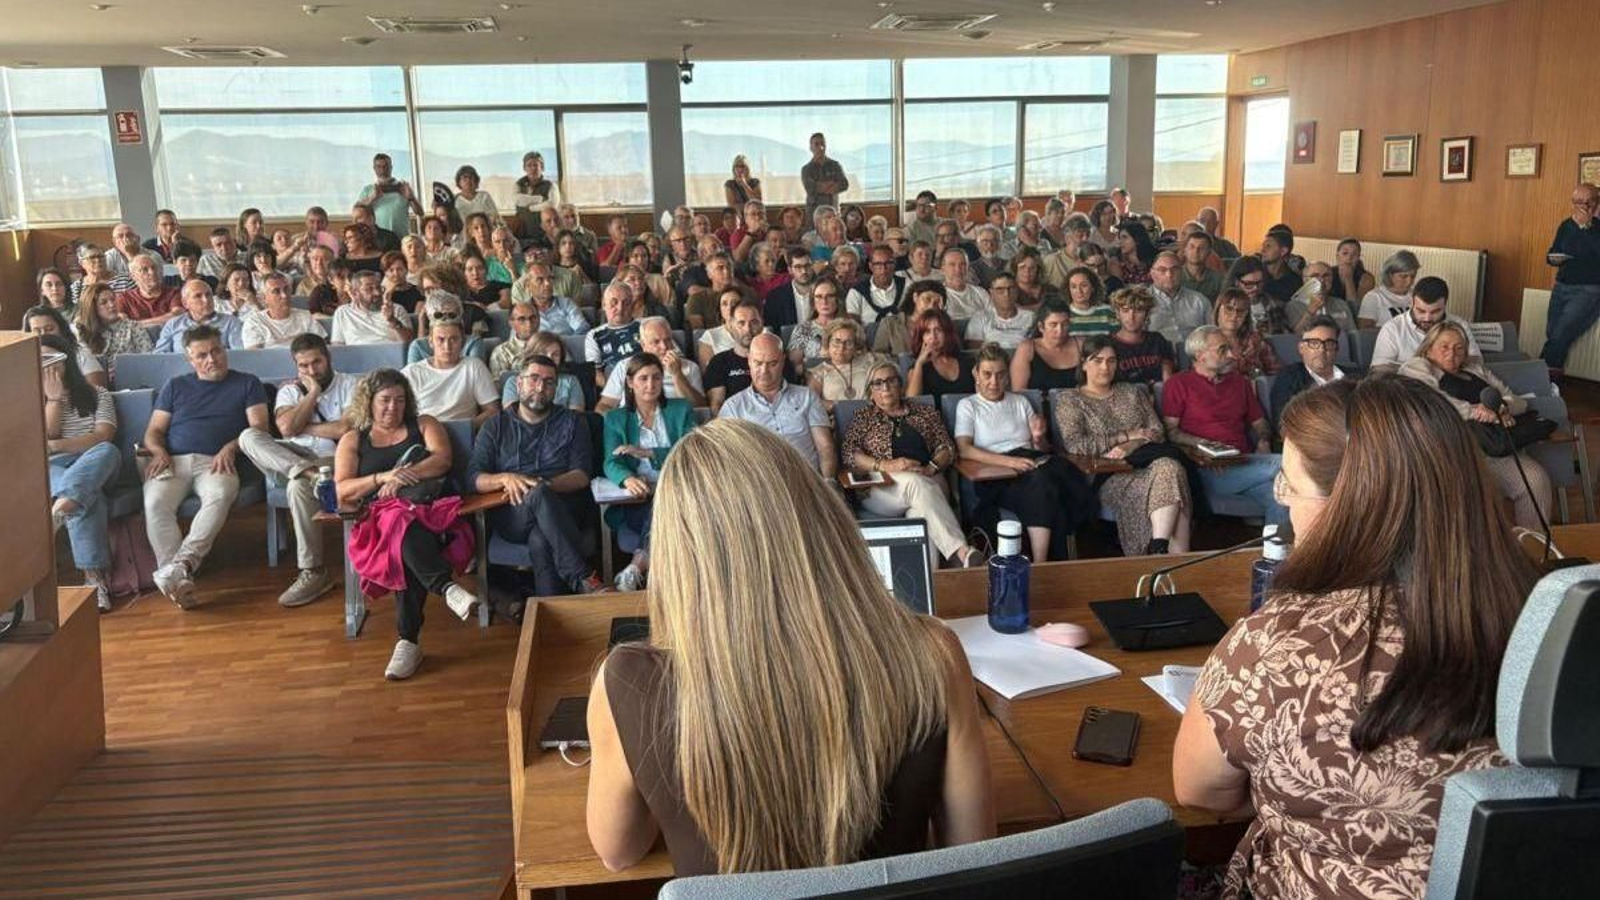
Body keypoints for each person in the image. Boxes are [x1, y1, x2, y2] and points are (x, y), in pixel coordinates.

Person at [1174, 375, 1540, 900]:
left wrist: (1303, 794)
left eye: (1290, 486)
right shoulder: (1559, 622)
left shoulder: (1275, 646)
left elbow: (1200, 792)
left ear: (1348, 503)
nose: (1287, 505)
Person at [586, 415, 993, 874]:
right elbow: (971, 852)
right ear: (817, 517)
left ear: (679, 552)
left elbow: (618, 852)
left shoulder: (627, 682)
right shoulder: (935, 653)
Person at [335, 368, 478, 680]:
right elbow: (343, 488)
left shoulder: (424, 424)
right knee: (398, 526)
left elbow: (442, 460)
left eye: (400, 400)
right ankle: (445, 589)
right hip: (377, 528)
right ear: (369, 402)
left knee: (402, 524)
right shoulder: (353, 439)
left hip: (430, 516)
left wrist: (400, 482)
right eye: (385, 400)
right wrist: (383, 477)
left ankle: (408, 642)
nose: (393, 407)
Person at [142, 325, 270, 608]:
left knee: (219, 496)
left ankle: (182, 565)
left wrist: (231, 447)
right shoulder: (175, 386)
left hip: (216, 461)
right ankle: (179, 579)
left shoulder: (247, 383)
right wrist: (158, 451)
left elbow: (259, 427)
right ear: (191, 360)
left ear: (224, 350)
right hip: (172, 460)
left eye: (216, 351)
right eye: (202, 355)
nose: (211, 359)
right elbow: (153, 431)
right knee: (154, 504)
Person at [471, 354, 608, 597]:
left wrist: (544, 485)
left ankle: (551, 620)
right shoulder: (495, 425)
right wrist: (504, 478)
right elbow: (473, 478)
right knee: (537, 495)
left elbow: (581, 475)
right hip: (512, 513)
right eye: (534, 379)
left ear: (555, 388)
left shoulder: (572, 422)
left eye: (548, 382)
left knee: (541, 539)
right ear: (519, 383)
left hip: (564, 510)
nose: (540, 387)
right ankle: (581, 575)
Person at [237, 333, 355, 608]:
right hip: (291, 458)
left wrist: (304, 425)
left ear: (328, 358)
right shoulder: (289, 390)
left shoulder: (350, 384)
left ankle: (313, 572)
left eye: (317, 362)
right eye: (304, 366)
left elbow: (344, 428)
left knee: (297, 486)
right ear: (295, 366)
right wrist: (313, 393)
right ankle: (310, 475)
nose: (312, 370)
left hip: (332, 459)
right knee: (247, 437)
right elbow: (287, 430)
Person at [1399, 321, 1552, 528]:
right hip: (1450, 454)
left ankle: (1534, 551)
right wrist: (1478, 412)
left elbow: (1517, 401)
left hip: (1493, 450)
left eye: (1459, 348)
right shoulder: (1416, 367)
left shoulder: (1476, 370)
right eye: (1444, 346)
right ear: (1429, 348)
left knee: (1535, 480)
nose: (1451, 353)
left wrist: (1501, 408)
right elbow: (1432, 402)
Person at [1054, 336, 1192, 555]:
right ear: (1083, 363)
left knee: (1170, 467)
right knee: (1174, 477)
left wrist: (1132, 445)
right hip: (1109, 474)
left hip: (1148, 463)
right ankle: (1175, 558)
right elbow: (1077, 445)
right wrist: (1126, 435)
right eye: (1097, 360)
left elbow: (1157, 432)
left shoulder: (1131, 391)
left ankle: (1158, 546)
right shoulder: (1070, 399)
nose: (1105, 367)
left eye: (1111, 361)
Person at [955, 345, 1093, 561]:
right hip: (997, 475)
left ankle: (1051, 561)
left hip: (1030, 463)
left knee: (1054, 477)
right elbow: (964, 449)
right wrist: (1009, 462)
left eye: (1000, 375)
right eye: (987, 374)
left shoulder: (1020, 401)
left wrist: (1038, 438)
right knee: (1043, 484)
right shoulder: (968, 406)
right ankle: (1042, 562)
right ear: (976, 374)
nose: (994, 382)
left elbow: (1041, 449)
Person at [842, 362, 983, 569]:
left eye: (891, 381)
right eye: (878, 383)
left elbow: (947, 447)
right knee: (916, 484)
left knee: (920, 515)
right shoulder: (864, 417)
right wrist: (887, 465)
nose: (886, 388)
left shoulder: (924, 413)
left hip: (928, 482)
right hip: (881, 490)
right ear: (870, 390)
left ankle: (932, 584)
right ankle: (960, 552)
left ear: (901, 384)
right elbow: (850, 454)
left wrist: (932, 467)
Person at [1160, 325, 1287, 525]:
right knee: (1288, 463)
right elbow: (1170, 432)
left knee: (1280, 498)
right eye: (1222, 349)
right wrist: (1203, 446)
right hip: (1208, 469)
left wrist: (1263, 440)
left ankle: (1274, 555)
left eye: (1229, 348)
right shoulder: (1178, 384)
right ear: (1200, 355)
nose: (1231, 354)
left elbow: (1260, 422)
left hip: (1244, 461)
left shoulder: (1239, 382)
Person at [39, 333, 120, 611]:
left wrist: (56, 445)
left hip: (95, 462)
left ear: (68, 361)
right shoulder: (30, 402)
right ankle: (94, 581)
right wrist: (54, 400)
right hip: (56, 470)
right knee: (86, 497)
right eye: (40, 360)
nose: (47, 366)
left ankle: (64, 505)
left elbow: (103, 436)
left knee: (108, 452)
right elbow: (44, 438)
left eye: (52, 359)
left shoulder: (97, 394)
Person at [601, 354, 696, 592]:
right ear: (630, 383)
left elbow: (692, 453)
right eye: (643, 378)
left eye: (656, 377)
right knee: (662, 512)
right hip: (639, 499)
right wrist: (628, 478)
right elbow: (611, 462)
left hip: (679, 493)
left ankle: (636, 568)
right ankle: (674, 588)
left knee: (667, 505)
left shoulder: (681, 410)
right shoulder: (616, 419)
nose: (650, 384)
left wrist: (649, 453)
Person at [718, 334, 836, 479]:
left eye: (772, 364)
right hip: (763, 488)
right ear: (748, 360)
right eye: (758, 363)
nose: (764, 371)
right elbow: (726, 459)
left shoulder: (807, 397)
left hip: (807, 483)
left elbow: (825, 447)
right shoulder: (733, 407)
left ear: (782, 361)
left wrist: (829, 482)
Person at [1539, 182, 1600, 374]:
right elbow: (1553, 252)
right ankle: (1550, 383)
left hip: (1588, 290)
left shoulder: (1596, 228)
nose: (1581, 206)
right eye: (1577, 202)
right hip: (1562, 286)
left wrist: (1587, 228)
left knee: (1560, 334)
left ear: (1596, 202)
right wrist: (1552, 258)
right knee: (1553, 334)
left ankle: (1538, 377)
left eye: (1586, 202)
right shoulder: (1566, 225)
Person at [401, 315, 499, 426]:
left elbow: (492, 410)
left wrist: (467, 427)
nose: (447, 346)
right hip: (425, 433)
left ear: (462, 342)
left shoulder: (473, 366)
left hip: (466, 433)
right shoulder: (412, 372)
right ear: (430, 342)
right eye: (441, 339)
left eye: (454, 339)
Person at [1370, 276, 1480, 373]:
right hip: (1408, 388)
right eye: (1421, 311)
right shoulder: (1393, 328)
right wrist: (1421, 368)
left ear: (1445, 305)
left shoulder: (1459, 325)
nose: (1427, 318)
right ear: (1412, 303)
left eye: (1435, 312)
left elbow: (1477, 361)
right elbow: (1378, 369)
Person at [598, 316, 705, 412]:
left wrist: (677, 375)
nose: (664, 347)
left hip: (676, 424)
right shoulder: (625, 366)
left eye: (668, 340)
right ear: (643, 345)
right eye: (656, 342)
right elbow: (605, 405)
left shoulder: (690, 367)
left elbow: (700, 408)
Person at [706, 300, 793, 412]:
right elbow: (717, 406)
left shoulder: (777, 357)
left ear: (762, 323)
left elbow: (791, 397)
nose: (748, 329)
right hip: (737, 424)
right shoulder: (719, 362)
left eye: (754, 322)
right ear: (731, 325)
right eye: (741, 323)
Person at [1269, 315, 1352, 430]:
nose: (1322, 349)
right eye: (1314, 343)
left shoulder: (1356, 378)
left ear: (1336, 349)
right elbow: (1283, 424)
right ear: (1301, 348)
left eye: (1328, 343)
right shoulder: (1288, 379)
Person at [73, 282, 154, 372]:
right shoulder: (79, 329)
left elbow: (149, 359)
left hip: (130, 377)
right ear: (92, 307)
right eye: (104, 303)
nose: (112, 305)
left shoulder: (132, 327)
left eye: (113, 299)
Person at [805, 318, 881, 412]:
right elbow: (812, 402)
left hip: (870, 415)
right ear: (828, 344)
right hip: (836, 419)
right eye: (837, 341)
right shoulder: (819, 372)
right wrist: (840, 408)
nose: (841, 348)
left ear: (855, 346)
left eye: (848, 343)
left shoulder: (869, 362)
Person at [500, 332, 587, 411]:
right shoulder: (513, 382)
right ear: (531, 354)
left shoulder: (571, 381)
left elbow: (576, 416)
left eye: (555, 354)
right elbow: (510, 417)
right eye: (543, 353)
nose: (549, 358)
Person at [156, 278, 245, 353]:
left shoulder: (231, 322)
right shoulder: (173, 324)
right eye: (198, 296)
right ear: (185, 303)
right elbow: (159, 357)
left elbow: (239, 356)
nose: (206, 300)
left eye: (208, 295)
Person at [26, 305, 106, 388]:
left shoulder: (80, 355)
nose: (43, 335)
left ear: (61, 329)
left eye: (49, 329)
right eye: (36, 331)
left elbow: (97, 395)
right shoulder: (25, 362)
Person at [241, 273, 326, 350]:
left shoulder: (305, 316)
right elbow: (255, 358)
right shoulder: (254, 322)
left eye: (286, 289)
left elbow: (322, 348)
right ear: (263, 298)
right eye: (276, 291)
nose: (284, 295)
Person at [330, 269, 413, 346]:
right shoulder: (343, 312)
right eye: (369, 289)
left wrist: (393, 320)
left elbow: (408, 344)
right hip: (356, 359)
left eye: (378, 288)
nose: (377, 293)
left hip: (391, 359)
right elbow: (338, 347)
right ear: (355, 293)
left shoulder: (396, 309)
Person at [1010, 304, 1082, 392]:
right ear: (1041, 327)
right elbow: (1018, 392)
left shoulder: (1080, 345)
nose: (1059, 330)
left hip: (1077, 404)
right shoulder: (1027, 349)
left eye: (1065, 324)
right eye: (1053, 325)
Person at [906, 309, 974, 402]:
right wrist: (919, 364)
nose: (933, 336)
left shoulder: (967, 361)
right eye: (927, 332)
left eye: (938, 330)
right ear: (922, 337)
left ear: (947, 333)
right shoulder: (917, 368)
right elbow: (912, 402)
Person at [1147, 250, 1211, 344]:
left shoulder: (1199, 300)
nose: (1169, 275)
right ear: (1152, 274)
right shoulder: (1142, 301)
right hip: (1156, 354)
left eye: (1174, 269)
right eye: (1162, 270)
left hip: (1195, 354)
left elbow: (1212, 332)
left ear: (1181, 272)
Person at [585, 282, 644, 381]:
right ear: (604, 305)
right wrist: (613, 390)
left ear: (632, 306)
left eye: (626, 303)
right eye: (614, 303)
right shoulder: (594, 335)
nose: (620, 308)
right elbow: (595, 372)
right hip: (616, 386)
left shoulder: (647, 325)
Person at [1214, 288, 1279, 377]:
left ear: (1246, 315)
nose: (1234, 315)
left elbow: (1275, 371)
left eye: (1240, 311)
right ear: (1218, 310)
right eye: (1229, 309)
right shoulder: (1205, 341)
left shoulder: (1254, 339)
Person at [356, 152, 424, 236]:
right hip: (379, 240)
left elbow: (420, 213)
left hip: (401, 239)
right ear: (374, 168)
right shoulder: (368, 190)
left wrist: (411, 198)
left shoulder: (403, 188)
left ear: (391, 167)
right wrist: (372, 198)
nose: (382, 170)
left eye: (385, 166)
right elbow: (356, 214)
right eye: (379, 167)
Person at [515, 262, 589, 336]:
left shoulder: (566, 303)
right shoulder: (522, 311)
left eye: (550, 278)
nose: (547, 283)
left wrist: (566, 344)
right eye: (540, 280)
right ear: (528, 285)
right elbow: (518, 341)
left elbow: (582, 328)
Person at [1284, 260, 1359, 333]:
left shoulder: (1341, 304)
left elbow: (1352, 334)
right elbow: (1293, 337)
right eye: (1315, 276)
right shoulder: (1293, 306)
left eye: (1326, 276)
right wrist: (1310, 312)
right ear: (1305, 280)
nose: (1321, 280)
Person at [963, 273, 1034, 350]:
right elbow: (974, 350)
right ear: (991, 293)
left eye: (1011, 289)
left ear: (1017, 292)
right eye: (1000, 289)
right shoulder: (980, 317)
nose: (1006, 294)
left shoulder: (1031, 317)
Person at [1358, 249, 1421, 328]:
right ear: (1390, 275)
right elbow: (1365, 331)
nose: (1409, 282)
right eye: (1403, 277)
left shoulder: (1417, 296)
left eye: (1413, 276)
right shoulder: (1374, 297)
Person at [115, 254, 182, 326]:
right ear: (133, 276)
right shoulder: (124, 298)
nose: (152, 272)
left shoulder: (174, 293)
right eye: (145, 269)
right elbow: (122, 324)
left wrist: (136, 325)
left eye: (154, 268)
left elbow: (176, 316)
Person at [490, 301, 541, 382]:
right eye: (522, 319)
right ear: (511, 323)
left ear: (539, 319)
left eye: (533, 318)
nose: (529, 324)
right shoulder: (502, 351)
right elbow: (499, 384)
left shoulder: (552, 345)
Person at [801, 132, 849, 216]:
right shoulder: (806, 169)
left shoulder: (835, 165)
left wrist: (821, 186)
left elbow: (844, 184)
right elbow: (810, 188)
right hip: (814, 214)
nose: (820, 147)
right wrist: (831, 184)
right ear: (811, 147)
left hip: (833, 211)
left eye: (823, 144)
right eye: (816, 144)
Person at [1062, 265, 1116, 337]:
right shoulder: (1063, 314)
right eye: (1073, 287)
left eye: (1084, 285)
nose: (1079, 291)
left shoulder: (1108, 311)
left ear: (1093, 287)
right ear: (1068, 289)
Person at [939, 247, 991, 320]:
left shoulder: (981, 293)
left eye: (962, 264)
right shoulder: (938, 296)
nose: (958, 269)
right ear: (943, 269)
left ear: (968, 268)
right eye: (952, 265)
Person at [1258, 229, 1303, 304]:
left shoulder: (1295, 282)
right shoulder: (1257, 275)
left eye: (1268, 246)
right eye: (1263, 246)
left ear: (1283, 251)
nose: (1262, 250)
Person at [1178, 230, 1224, 302]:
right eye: (1192, 247)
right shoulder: (1174, 276)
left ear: (1209, 253)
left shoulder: (1218, 280)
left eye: (1202, 248)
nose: (1196, 251)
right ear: (1184, 250)